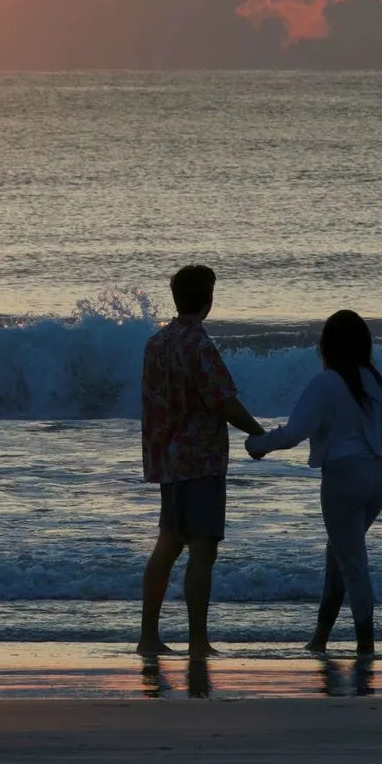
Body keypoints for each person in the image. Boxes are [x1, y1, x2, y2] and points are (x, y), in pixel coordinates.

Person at [246, 309, 382, 654]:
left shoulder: (327, 382)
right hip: (379, 478)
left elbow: (294, 433)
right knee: (339, 555)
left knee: (352, 563)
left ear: (327, 345)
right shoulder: (376, 380)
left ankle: (365, 645)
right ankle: (320, 639)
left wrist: (258, 445)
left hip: (345, 478)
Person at [137, 264, 266, 656]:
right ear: (208, 300)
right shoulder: (200, 346)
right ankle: (197, 640)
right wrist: (261, 434)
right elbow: (223, 401)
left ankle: (148, 636)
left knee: (168, 544)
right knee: (202, 549)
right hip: (201, 460)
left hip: (168, 459)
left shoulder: (156, 344)